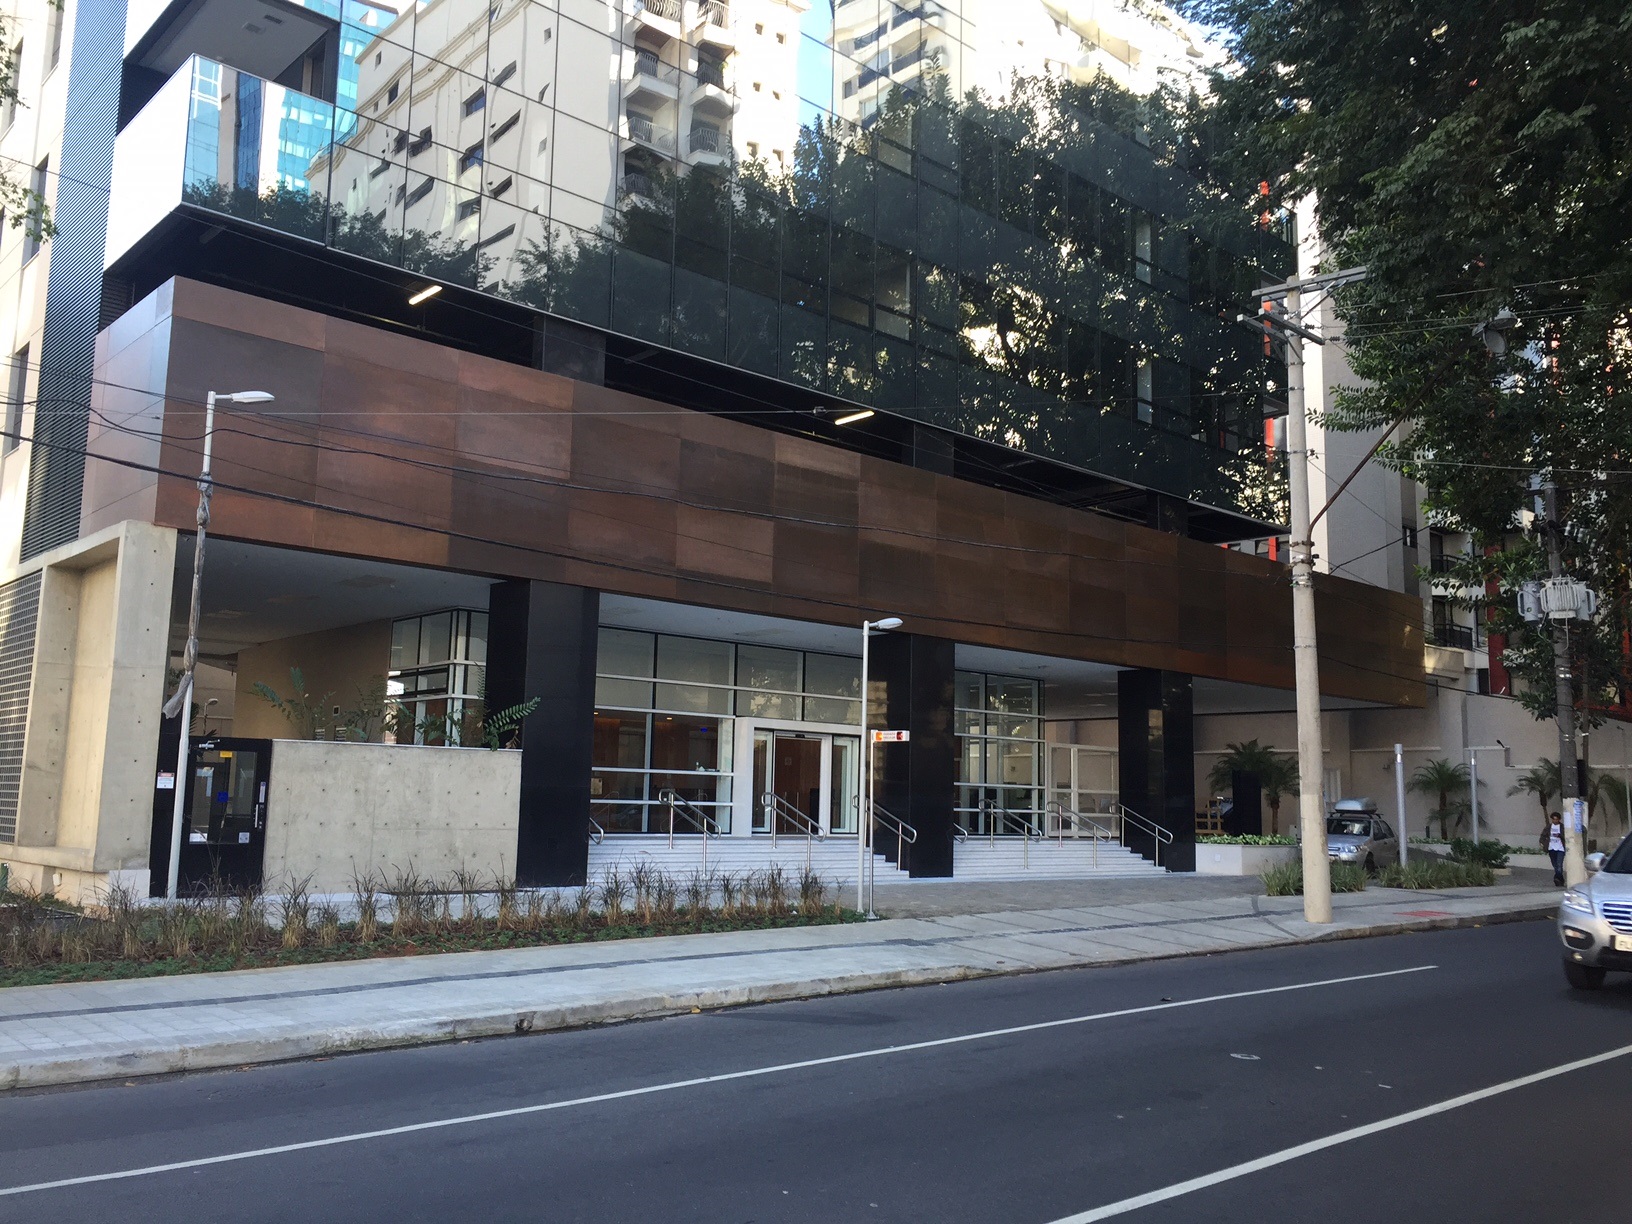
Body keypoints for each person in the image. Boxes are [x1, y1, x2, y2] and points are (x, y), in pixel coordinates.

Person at [1543, 812, 1566, 886]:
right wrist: (1542, 842)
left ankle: (1556, 878)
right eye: (1553, 819)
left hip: (1560, 848)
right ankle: (1560, 879)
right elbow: (1543, 835)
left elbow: (1566, 836)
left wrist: (1560, 836)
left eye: (1556, 819)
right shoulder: (1549, 827)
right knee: (1555, 865)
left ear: (1559, 819)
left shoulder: (1562, 827)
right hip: (1551, 848)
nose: (1555, 821)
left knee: (1559, 865)